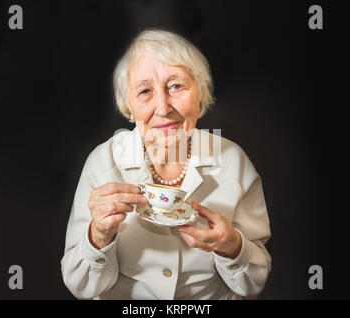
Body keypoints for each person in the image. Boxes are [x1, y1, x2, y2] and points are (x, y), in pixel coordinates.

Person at [61, 29, 271, 300]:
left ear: (199, 93)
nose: (162, 108)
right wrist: (97, 237)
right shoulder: (104, 162)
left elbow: (253, 284)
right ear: (129, 105)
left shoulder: (233, 161)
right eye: (145, 91)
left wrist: (231, 246)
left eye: (176, 86)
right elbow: (81, 287)